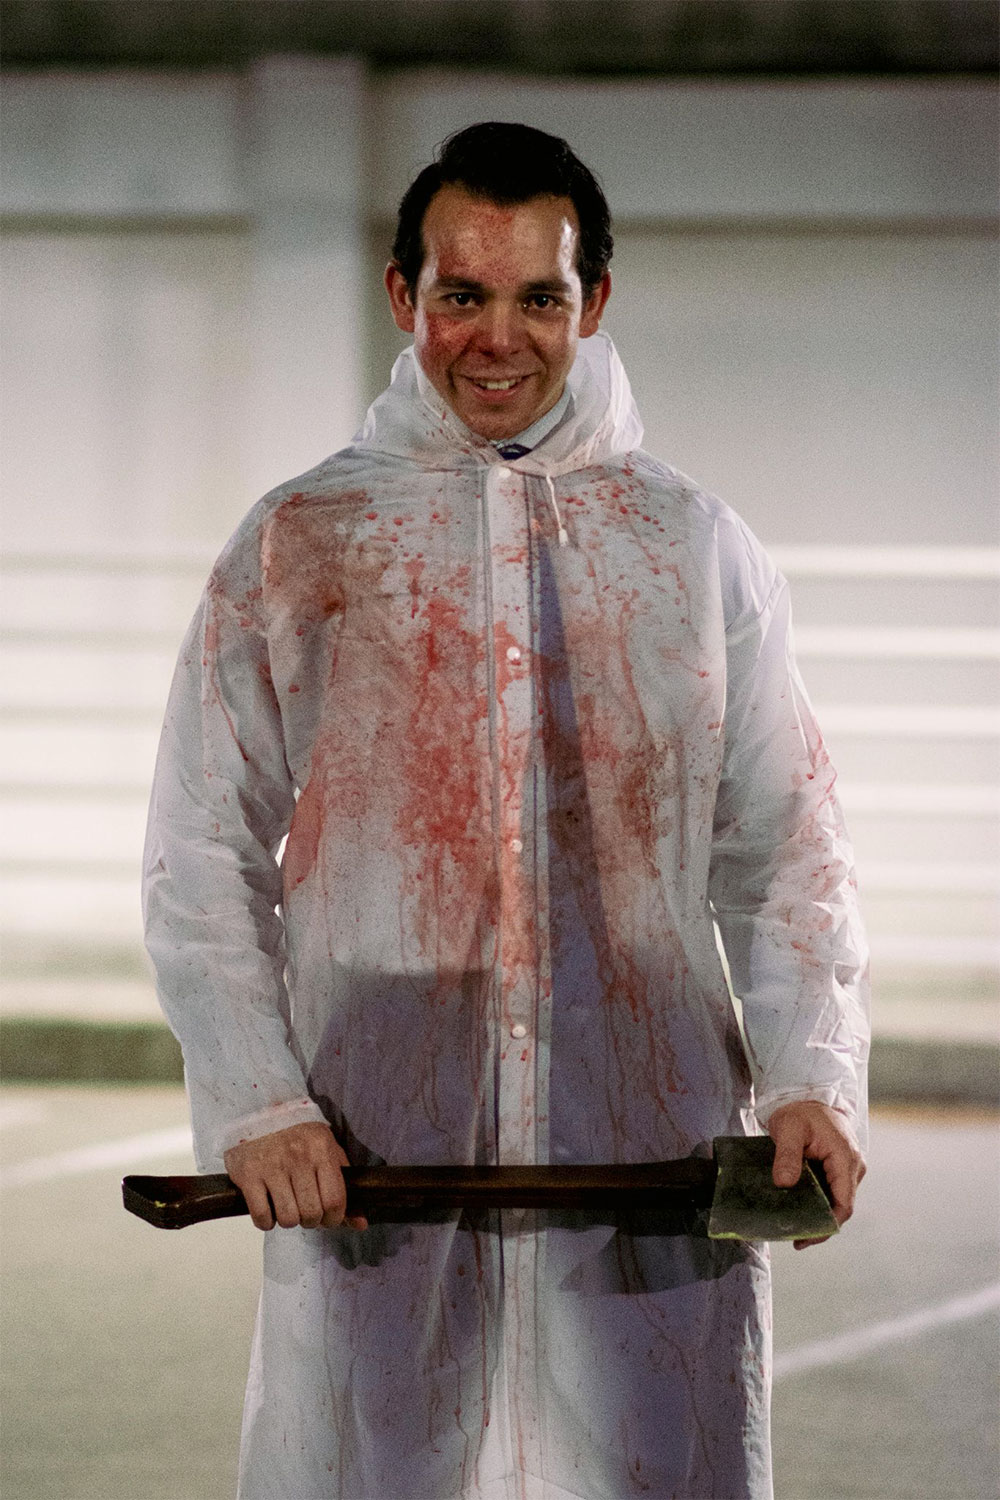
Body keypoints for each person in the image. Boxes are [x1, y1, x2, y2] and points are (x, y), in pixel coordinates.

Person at [143, 122, 869, 1500]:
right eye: (461, 294)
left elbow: (786, 845)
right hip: (372, 1148)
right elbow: (201, 844)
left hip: (648, 1150)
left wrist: (809, 1079)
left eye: (539, 296)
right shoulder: (302, 541)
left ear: (593, 302)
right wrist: (256, 1099)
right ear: (402, 294)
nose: (497, 338)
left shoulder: (695, 547)